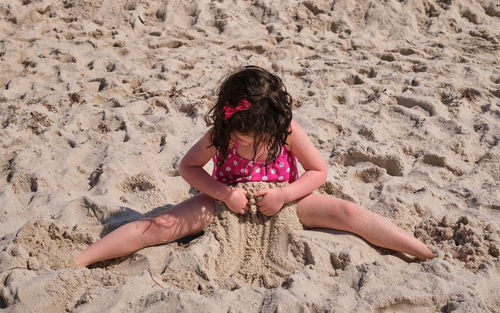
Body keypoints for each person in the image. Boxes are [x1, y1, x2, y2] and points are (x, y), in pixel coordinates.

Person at [76, 66, 434, 267]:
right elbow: (189, 168)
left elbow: (318, 172)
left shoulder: (289, 130)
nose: (246, 145)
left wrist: (284, 195)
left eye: (255, 140)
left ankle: (424, 253)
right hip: (226, 201)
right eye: (241, 140)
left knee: (347, 211)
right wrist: (224, 194)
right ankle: (79, 262)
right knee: (158, 225)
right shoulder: (221, 133)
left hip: (284, 199)